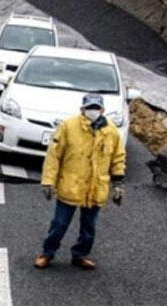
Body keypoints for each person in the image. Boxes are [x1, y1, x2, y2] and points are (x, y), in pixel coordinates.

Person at [34, 93, 126, 270]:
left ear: (102, 110)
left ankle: (80, 255)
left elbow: (118, 158)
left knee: (89, 227)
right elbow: (54, 155)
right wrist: (48, 181)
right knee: (59, 223)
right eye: (89, 108)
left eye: (96, 108)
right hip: (71, 185)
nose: (93, 111)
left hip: (95, 187)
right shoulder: (68, 127)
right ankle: (47, 253)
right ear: (82, 109)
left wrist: (118, 183)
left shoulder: (111, 132)